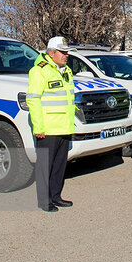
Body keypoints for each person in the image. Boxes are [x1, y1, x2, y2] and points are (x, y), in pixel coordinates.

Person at [27, 36, 76, 212]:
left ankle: (56, 196)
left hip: (64, 126)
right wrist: (38, 127)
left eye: (67, 52)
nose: (66, 55)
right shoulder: (39, 71)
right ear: (51, 53)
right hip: (48, 129)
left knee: (60, 165)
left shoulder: (66, 71)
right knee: (44, 167)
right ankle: (44, 200)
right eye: (62, 52)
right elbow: (33, 100)